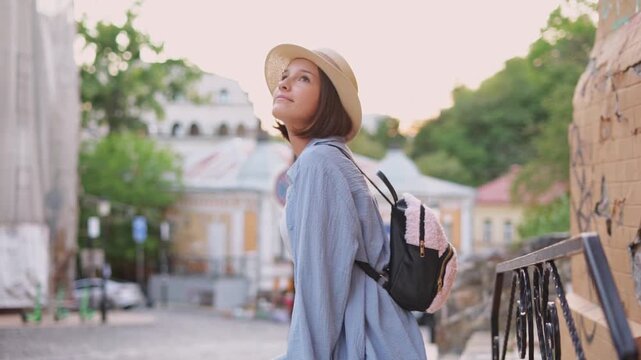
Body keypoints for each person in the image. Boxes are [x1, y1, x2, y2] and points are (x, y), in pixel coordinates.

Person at [266, 43, 427, 359]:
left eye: (304, 79)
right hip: (381, 337)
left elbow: (319, 292)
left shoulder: (320, 165)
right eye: (284, 76)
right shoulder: (328, 160)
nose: (283, 84)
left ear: (328, 102)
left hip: (366, 340)